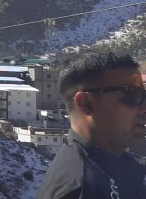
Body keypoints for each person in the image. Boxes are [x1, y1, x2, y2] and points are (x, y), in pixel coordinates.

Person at [37, 52, 146, 199]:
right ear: (86, 103)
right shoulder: (79, 188)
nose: (144, 107)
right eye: (133, 95)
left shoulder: (116, 163)